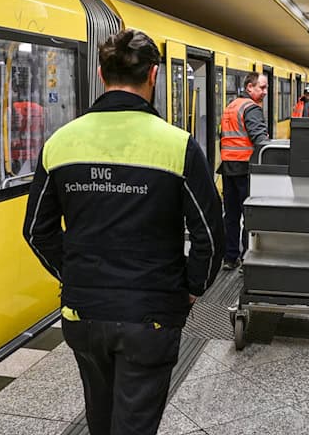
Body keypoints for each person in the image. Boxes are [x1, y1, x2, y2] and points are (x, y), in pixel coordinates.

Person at [22, 29, 224, 435]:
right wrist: (191, 287)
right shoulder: (178, 145)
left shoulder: (60, 143)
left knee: (100, 417)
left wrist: (75, 274)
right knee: (135, 423)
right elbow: (211, 234)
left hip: (83, 315)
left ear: (101, 74)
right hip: (150, 315)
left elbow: (35, 231)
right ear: (153, 75)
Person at [218, 72, 270, 270]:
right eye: (262, 88)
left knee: (231, 215)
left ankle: (230, 257)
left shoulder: (231, 106)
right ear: (250, 87)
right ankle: (247, 258)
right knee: (250, 215)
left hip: (228, 168)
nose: (265, 92)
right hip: (246, 170)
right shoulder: (251, 108)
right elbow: (259, 139)